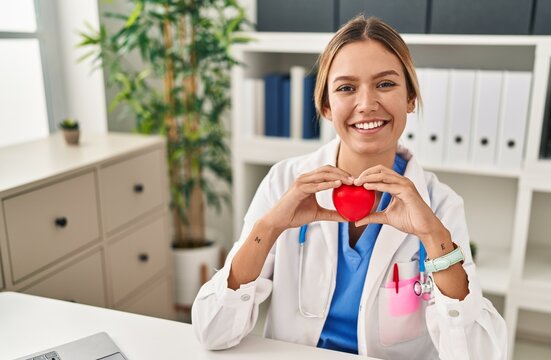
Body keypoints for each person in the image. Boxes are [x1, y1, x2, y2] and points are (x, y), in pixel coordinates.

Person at [192, 15, 507, 360]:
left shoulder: (440, 205)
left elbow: (479, 354)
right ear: (326, 106)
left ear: (410, 99)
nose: (367, 104)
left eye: (385, 84)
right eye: (346, 88)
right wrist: (268, 228)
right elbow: (212, 331)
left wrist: (435, 239)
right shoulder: (284, 181)